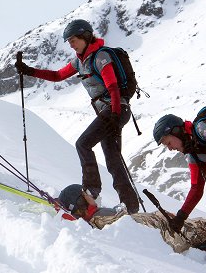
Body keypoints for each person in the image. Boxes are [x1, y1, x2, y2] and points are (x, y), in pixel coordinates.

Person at [15, 19, 140, 213]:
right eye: (69, 41)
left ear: (85, 36)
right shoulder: (80, 61)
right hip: (111, 111)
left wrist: (114, 114)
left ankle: (91, 190)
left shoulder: (101, 57)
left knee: (83, 143)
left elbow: (113, 86)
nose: (71, 44)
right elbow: (57, 76)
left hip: (115, 110)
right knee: (113, 158)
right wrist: (30, 71)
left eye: (73, 40)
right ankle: (130, 205)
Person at [153, 114, 206, 264]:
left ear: (176, 131)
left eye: (168, 142)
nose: (170, 149)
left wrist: (204, 148)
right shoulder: (193, 151)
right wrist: (180, 217)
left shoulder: (202, 129)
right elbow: (196, 188)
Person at [58, 184, 206, 255]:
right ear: (80, 202)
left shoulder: (100, 216)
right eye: (87, 195)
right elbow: (135, 226)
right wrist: (160, 218)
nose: (92, 196)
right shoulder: (101, 220)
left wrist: (158, 215)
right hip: (172, 233)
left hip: (166, 226)